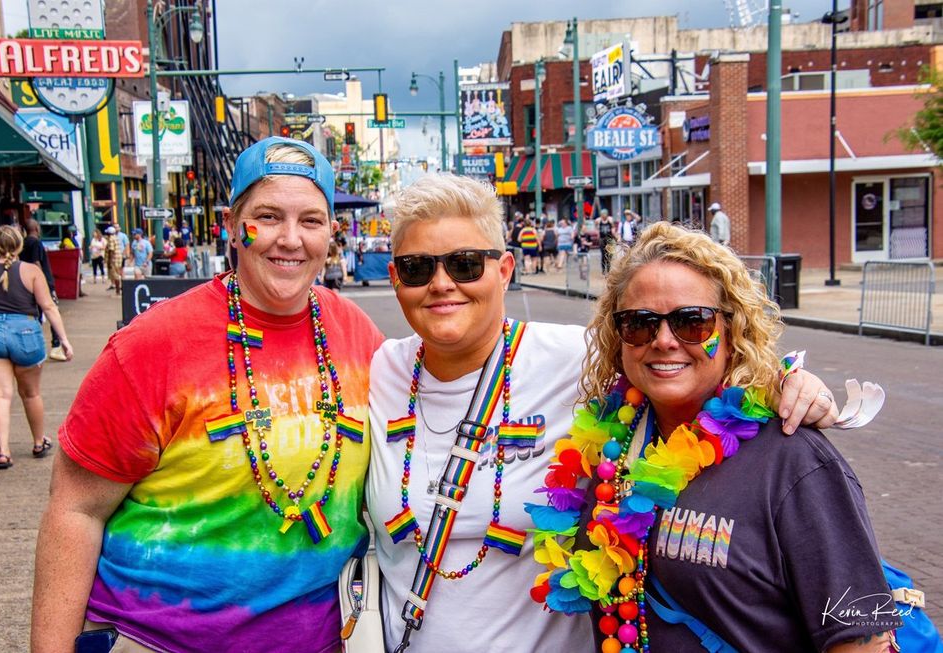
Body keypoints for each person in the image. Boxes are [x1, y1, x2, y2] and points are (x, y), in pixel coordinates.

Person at [365, 174, 838, 653]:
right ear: (395, 278)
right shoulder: (380, 368)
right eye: (417, 267)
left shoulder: (576, 357)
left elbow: (682, 353)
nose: (442, 284)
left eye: (465, 264)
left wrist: (787, 383)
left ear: (505, 270)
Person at [31, 137, 384, 653]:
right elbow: (75, 511)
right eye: (267, 216)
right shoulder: (152, 345)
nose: (290, 239)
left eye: (310, 220)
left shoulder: (355, 333)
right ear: (232, 224)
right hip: (159, 640)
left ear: (332, 232)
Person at [533, 222, 898, 652]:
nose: (664, 340)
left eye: (692, 322)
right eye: (640, 323)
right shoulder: (609, 446)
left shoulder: (793, 458)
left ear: (731, 329)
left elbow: (863, 641)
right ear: (618, 337)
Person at [0, 226, 73, 470]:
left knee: (0, 395)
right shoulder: (31, 271)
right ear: (20, 245)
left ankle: (3, 452)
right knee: (31, 393)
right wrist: (63, 339)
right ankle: (38, 442)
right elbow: (49, 307)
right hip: (25, 332)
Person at [19, 219, 66, 362]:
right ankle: (57, 345)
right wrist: (42, 282)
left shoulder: (23, 244)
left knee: (36, 315)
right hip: (42, 283)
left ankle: (33, 344)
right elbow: (36, 262)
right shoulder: (35, 243)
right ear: (37, 228)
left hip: (26, 282)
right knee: (52, 310)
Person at [103, 226, 123, 295]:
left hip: (113, 259)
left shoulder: (111, 239)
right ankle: (118, 289)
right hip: (118, 258)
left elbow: (111, 250)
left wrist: (110, 261)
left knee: (115, 275)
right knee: (118, 273)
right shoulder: (116, 237)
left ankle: (118, 290)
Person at [597, 208, 617, 274]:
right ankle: (603, 270)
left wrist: (615, 237)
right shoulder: (599, 220)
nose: (604, 216)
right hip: (602, 240)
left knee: (609, 255)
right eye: (603, 214)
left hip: (609, 239)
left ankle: (608, 269)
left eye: (605, 214)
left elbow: (613, 229)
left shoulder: (610, 220)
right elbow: (596, 226)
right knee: (603, 255)